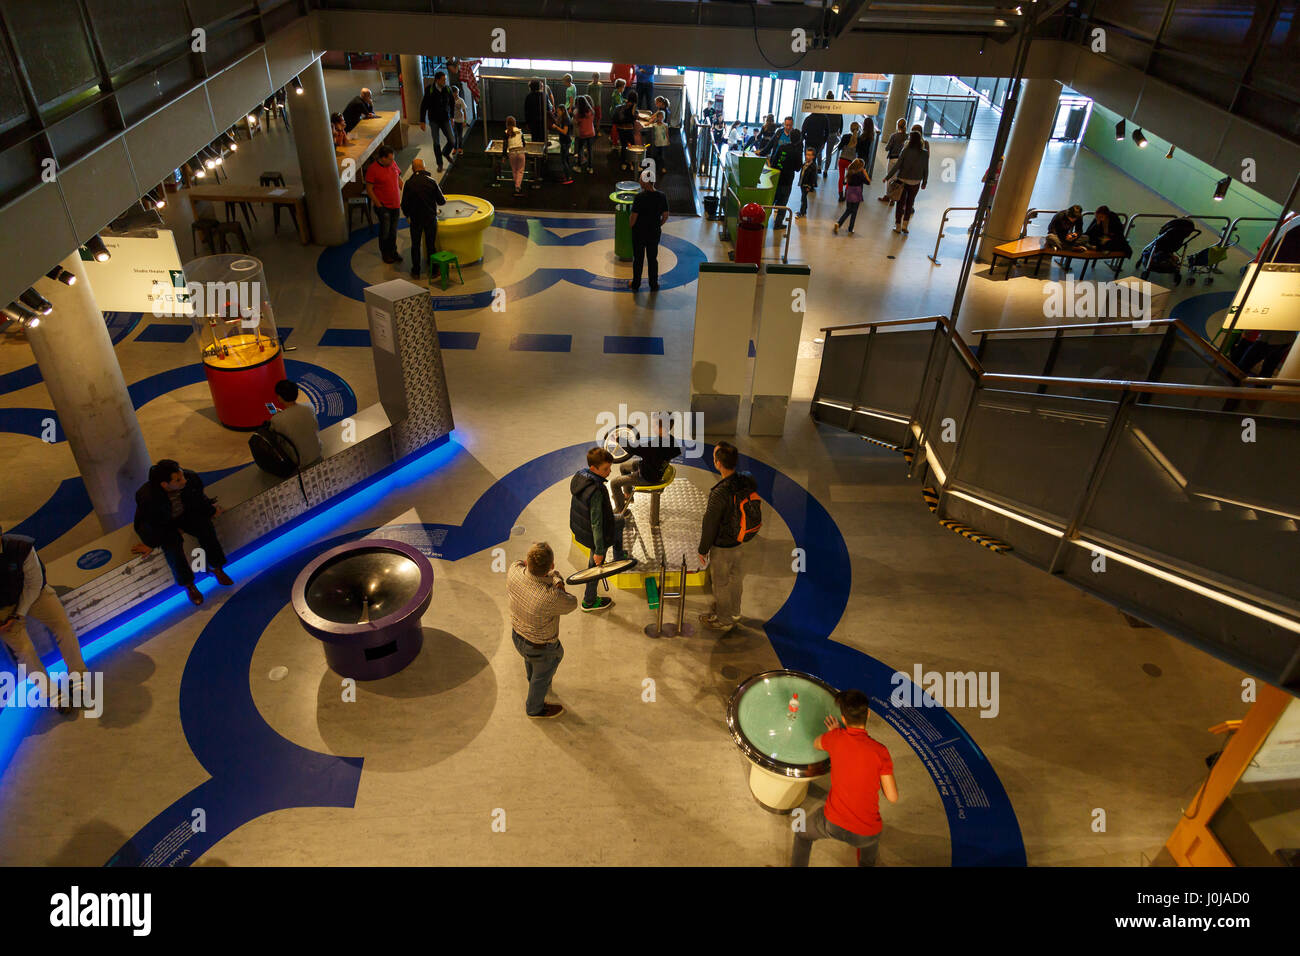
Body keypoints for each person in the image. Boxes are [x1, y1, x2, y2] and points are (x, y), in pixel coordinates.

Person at [790, 689, 898, 867]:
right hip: (867, 833)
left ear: (844, 719)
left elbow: (816, 743)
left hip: (832, 824)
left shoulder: (835, 738)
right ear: (868, 714)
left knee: (802, 833)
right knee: (868, 859)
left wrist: (834, 733)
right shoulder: (881, 751)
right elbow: (893, 797)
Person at [0, 527, 90, 713]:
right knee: (24, 650)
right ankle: (52, 695)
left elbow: (34, 583)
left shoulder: (22, 546)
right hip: (3, 606)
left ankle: (78, 675)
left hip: (34, 594)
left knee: (62, 626)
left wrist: (19, 614)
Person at [131, 459, 233, 606]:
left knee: (206, 529)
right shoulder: (148, 496)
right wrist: (151, 543)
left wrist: (211, 510)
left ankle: (217, 568)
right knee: (172, 547)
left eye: (182, 475)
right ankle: (189, 585)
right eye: (178, 479)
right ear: (164, 484)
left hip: (186, 515)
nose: (184, 480)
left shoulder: (190, 478)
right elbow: (150, 523)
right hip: (164, 523)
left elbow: (199, 500)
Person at [507, 541, 577, 719]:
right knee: (543, 674)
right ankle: (535, 709)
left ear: (527, 561)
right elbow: (572, 603)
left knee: (530, 662)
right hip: (542, 647)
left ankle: (533, 679)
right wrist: (557, 579)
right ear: (551, 565)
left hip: (517, 636)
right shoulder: (550, 597)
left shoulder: (513, 572)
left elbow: (518, 563)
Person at [697, 441, 758, 634]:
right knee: (736, 578)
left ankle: (724, 620)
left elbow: (710, 524)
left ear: (717, 463)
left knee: (721, 583)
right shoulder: (747, 479)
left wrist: (703, 549)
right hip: (742, 540)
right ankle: (735, 612)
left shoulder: (719, 493)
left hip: (723, 546)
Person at [569, 448, 627, 612]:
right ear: (594, 469)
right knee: (594, 566)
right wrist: (600, 551)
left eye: (609, 468)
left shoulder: (581, 476)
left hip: (581, 526)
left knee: (620, 520)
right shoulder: (596, 491)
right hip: (593, 534)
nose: (609, 472)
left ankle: (618, 555)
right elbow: (596, 523)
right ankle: (589, 600)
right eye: (605, 469)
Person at [609, 412, 682, 513]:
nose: (652, 427)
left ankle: (621, 510)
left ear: (662, 428)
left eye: (654, 425)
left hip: (647, 477)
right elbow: (675, 452)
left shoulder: (655, 446)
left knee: (614, 483)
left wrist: (618, 439)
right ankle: (628, 494)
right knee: (623, 467)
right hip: (654, 468)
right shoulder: (670, 440)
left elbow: (634, 449)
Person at [401, 157, 447, 279]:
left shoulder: (409, 183)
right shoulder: (431, 181)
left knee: (415, 245)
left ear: (412, 169)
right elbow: (441, 201)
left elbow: (404, 204)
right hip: (430, 219)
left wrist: (408, 215)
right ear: (424, 167)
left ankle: (416, 271)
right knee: (430, 244)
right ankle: (433, 271)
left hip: (415, 220)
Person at [628, 176, 669, 293]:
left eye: (641, 179)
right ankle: (653, 284)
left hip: (639, 233)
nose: (639, 181)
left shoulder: (639, 197)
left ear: (645, 182)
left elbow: (633, 218)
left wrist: (631, 225)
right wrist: (658, 224)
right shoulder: (662, 196)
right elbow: (665, 215)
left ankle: (636, 284)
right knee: (652, 259)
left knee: (638, 259)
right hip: (654, 233)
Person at [884, 129, 928, 235]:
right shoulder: (924, 153)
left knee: (900, 203)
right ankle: (905, 225)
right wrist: (924, 182)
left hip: (902, 180)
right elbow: (926, 168)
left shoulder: (905, 151)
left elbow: (897, 165)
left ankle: (898, 225)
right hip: (916, 182)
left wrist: (887, 177)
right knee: (909, 203)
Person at [269, 379, 323, 466]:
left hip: (299, 461)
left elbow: (276, 439)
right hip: (317, 452)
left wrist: (279, 416)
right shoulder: (309, 407)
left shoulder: (276, 419)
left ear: (280, 397)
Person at [364, 145, 403, 263]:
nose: (392, 161)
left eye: (393, 159)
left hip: (395, 204)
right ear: (382, 158)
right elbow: (369, 189)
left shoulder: (392, 164)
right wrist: (379, 206)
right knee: (385, 232)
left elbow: (398, 178)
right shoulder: (373, 169)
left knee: (393, 231)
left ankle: (393, 251)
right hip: (383, 206)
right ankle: (385, 253)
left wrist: (405, 191)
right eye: (390, 159)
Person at [418, 71, 456, 171]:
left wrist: (452, 117)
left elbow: (452, 103)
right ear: (437, 80)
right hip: (434, 120)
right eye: (443, 80)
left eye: (445, 79)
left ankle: (446, 153)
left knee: (452, 140)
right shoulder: (429, 90)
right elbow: (424, 105)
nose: (445, 81)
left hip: (445, 119)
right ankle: (440, 164)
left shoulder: (447, 89)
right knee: (436, 143)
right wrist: (422, 121)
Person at [768, 123, 802, 230]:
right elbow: (797, 168)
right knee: (783, 203)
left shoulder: (782, 147)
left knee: (771, 201)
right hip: (787, 180)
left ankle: (763, 220)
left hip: (777, 178)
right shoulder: (797, 152)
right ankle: (778, 224)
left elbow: (774, 162)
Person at [833, 158, 868, 234]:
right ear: (860, 167)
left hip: (849, 191)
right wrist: (865, 173)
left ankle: (838, 223)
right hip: (857, 192)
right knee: (854, 212)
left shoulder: (850, 172)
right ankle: (850, 228)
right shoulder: (860, 174)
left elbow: (845, 183)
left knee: (848, 210)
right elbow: (868, 182)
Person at [831, 122, 862, 201]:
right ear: (858, 129)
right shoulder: (858, 140)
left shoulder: (845, 137)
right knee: (849, 178)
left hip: (842, 160)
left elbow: (839, 148)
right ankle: (846, 193)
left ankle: (840, 195)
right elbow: (858, 151)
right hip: (851, 162)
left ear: (850, 128)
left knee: (841, 177)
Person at [878, 118, 907, 202]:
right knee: (896, 178)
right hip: (901, 160)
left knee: (889, 177)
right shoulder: (907, 136)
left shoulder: (894, 136)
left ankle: (887, 196)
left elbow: (887, 148)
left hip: (893, 158)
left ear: (897, 126)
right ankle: (894, 198)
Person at [800, 108, 830, 179]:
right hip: (819, 142)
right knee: (813, 158)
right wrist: (824, 142)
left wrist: (805, 139)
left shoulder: (808, 118)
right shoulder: (824, 118)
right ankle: (812, 177)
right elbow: (827, 131)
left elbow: (803, 131)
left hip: (809, 141)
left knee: (808, 159)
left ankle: (806, 176)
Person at [501, 115, 527, 196]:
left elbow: (505, 145)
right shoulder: (519, 131)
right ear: (515, 123)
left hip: (512, 153)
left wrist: (504, 156)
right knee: (520, 170)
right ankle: (518, 187)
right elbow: (524, 142)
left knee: (514, 170)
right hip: (520, 152)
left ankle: (517, 186)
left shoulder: (506, 132)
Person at [551, 105, 574, 184]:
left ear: (563, 111)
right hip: (564, 141)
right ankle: (567, 175)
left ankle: (568, 178)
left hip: (565, 142)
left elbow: (564, 132)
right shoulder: (563, 119)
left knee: (564, 160)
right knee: (565, 159)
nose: (558, 112)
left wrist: (556, 127)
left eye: (559, 111)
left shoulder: (566, 120)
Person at [574, 95, 597, 174]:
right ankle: (590, 168)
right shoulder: (591, 111)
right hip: (591, 133)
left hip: (583, 134)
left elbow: (576, 123)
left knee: (580, 150)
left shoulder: (579, 113)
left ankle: (579, 167)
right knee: (590, 150)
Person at [822, 91, 844, 177]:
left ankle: (819, 166)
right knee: (829, 154)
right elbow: (841, 121)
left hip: (824, 133)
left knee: (820, 151)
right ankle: (826, 170)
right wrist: (840, 131)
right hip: (833, 133)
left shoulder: (824, 108)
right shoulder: (837, 108)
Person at [523, 79, 549, 145]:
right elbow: (548, 108)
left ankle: (536, 152)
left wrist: (527, 122)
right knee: (543, 137)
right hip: (543, 120)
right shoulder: (544, 95)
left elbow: (527, 111)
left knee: (534, 137)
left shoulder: (529, 96)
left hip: (533, 121)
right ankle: (543, 152)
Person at [796, 147, 818, 218]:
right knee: (803, 198)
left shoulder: (813, 166)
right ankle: (803, 211)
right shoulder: (805, 163)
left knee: (803, 198)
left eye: (809, 155)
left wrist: (810, 186)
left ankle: (802, 212)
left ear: (813, 156)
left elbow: (813, 178)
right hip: (802, 183)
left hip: (807, 185)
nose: (807, 156)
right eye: (806, 154)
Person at [648, 110, 669, 175]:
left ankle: (663, 167)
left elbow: (667, 133)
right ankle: (656, 167)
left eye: (662, 117)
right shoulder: (654, 125)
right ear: (657, 117)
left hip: (663, 142)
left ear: (664, 118)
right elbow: (652, 132)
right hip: (657, 142)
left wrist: (668, 140)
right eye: (659, 117)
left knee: (662, 155)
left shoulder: (665, 125)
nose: (660, 118)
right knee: (656, 155)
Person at [451, 86, 467, 158]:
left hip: (460, 120)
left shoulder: (461, 100)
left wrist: (465, 120)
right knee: (454, 135)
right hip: (454, 120)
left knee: (460, 135)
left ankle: (460, 148)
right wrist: (451, 120)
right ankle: (455, 148)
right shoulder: (450, 100)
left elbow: (464, 110)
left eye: (457, 92)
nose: (457, 94)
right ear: (453, 93)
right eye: (456, 92)